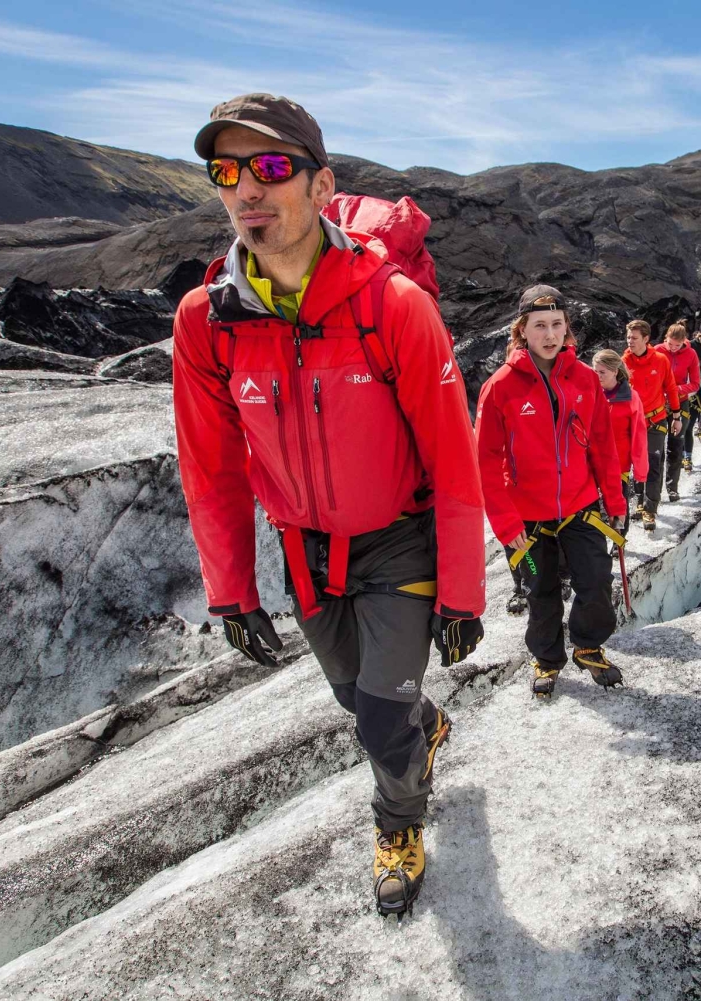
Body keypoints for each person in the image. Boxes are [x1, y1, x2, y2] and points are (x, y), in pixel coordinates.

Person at [172, 93, 486, 920]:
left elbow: (454, 461)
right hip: (307, 552)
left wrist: (463, 590)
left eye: (272, 167)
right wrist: (232, 588)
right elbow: (211, 468)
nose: (248, 189)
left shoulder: (392, 306)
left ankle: (398, 825)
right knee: (363, 700)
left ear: (321, 186)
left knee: (379, 725)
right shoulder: (208, 322)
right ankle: (424, 725)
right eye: (228, 171)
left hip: (400, 544)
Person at [476, 285, 629, 698]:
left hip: (580, 506)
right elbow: (486, 461)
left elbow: (602, 444)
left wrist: (615, 501)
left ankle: (589, 645)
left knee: (595, 581)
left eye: (556, 324)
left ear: (567, 329)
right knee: (540, 593)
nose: (549, 334)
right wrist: (506, 524)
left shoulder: (583, 378)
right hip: (526, 518)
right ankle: (546, 658)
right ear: (522, 330)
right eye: (539, 325)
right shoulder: (501, 387)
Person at [622, 320, 680, 532]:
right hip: (632, 421)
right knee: (637, 462)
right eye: (628, 337)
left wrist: (676, 415)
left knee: (653, 462)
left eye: (634, 338)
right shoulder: (624, 361)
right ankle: (639, 499)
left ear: (646, 339)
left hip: (656, 419)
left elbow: (671, 387)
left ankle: (650, 508)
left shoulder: (661, 360)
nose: (630, 341)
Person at [591, 349, 649, 528]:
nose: (598, 376)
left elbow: (639, 435)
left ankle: (618, 543)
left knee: (618, 505)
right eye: (595, 372)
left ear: (615, 371)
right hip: (592, 461)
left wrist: (640, 470)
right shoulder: (590, 394)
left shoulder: (631, 398)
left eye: (602, 372)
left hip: (619, 463)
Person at [654, 323, 701, 496]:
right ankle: (654, 493)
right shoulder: (656, 350)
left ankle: (673, 488)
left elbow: (695, 383)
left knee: (676, 445)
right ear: (665, 338)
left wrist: (676, 390)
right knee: (656, 449)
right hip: (658, 403)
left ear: (684, 342)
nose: (673, 349)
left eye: (677, 345)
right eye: (670, 344)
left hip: (681, 403)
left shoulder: (691, 354)